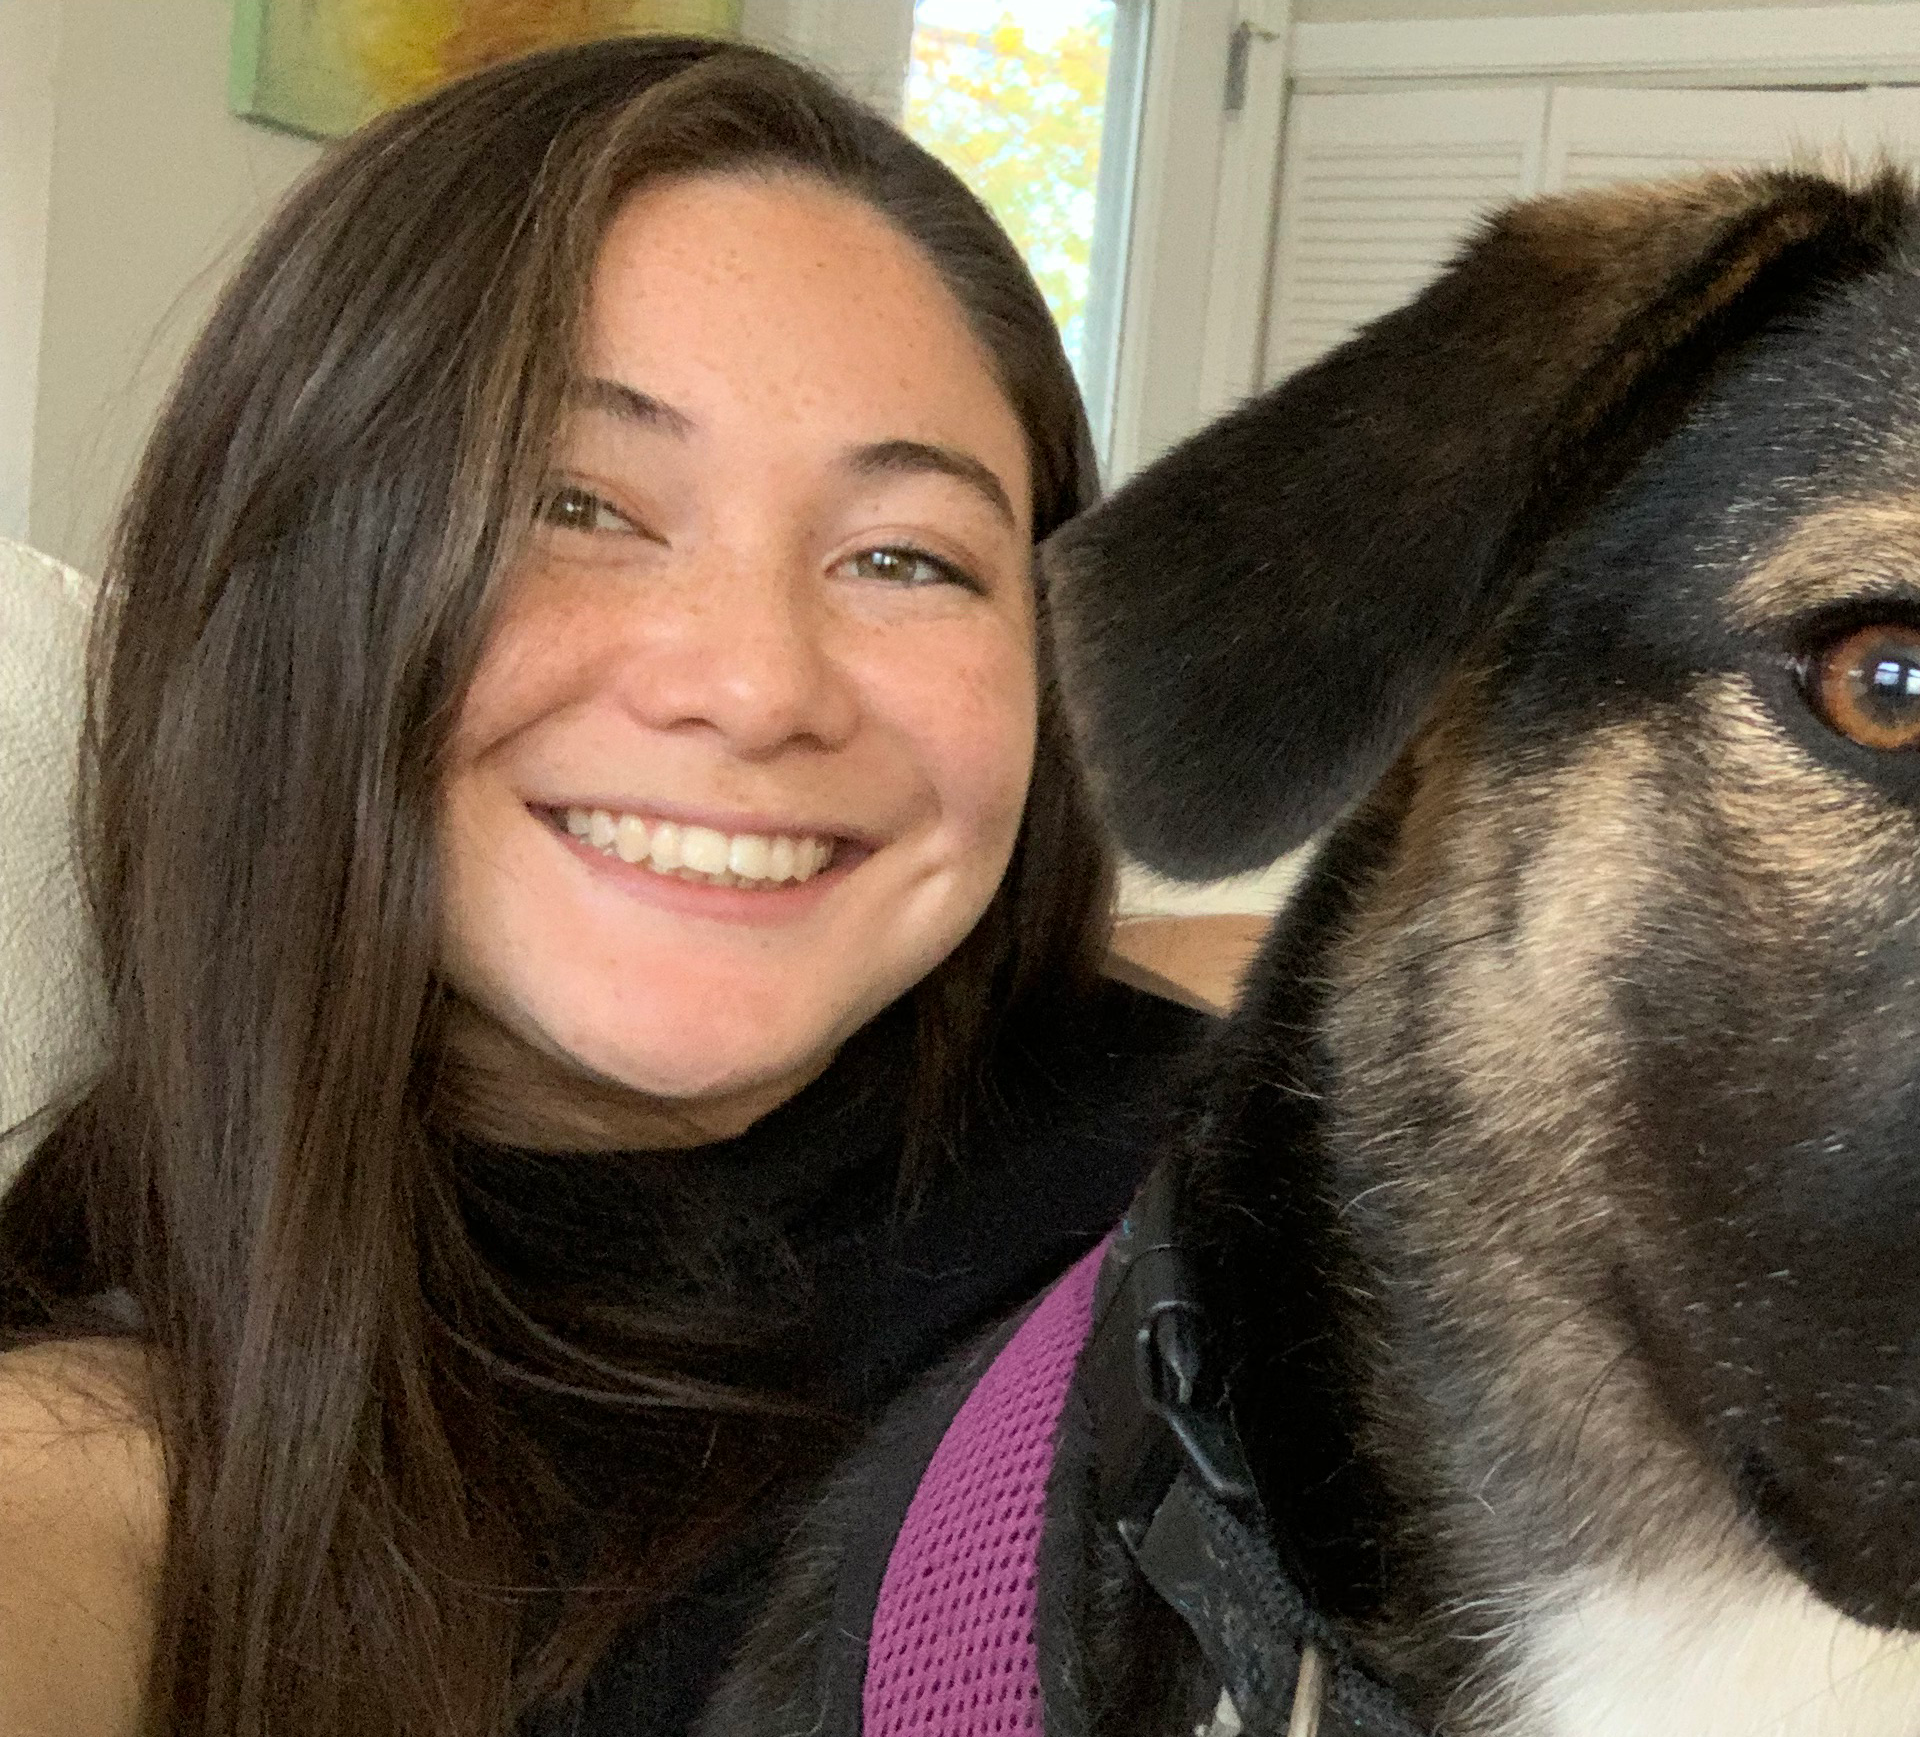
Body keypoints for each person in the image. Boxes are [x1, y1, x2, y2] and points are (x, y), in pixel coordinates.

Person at [0, 36, 1205, 1737]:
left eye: (904, 557)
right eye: (578, 503)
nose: (758, 682)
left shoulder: (1255, 1116)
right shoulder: (151, 1424)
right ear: (292, 570)